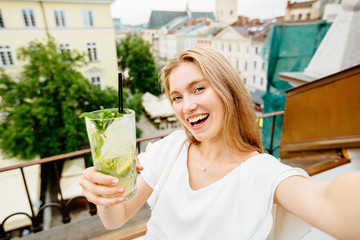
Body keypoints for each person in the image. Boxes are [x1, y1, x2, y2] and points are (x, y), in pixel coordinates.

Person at [79, 47, 360, 239]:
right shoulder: (171, 148)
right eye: (177, 97)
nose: (187, 106)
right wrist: (103, 196)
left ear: (228, 90)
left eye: (198, 88)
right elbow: (114, 220)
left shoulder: (261, 171)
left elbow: (329, 203)